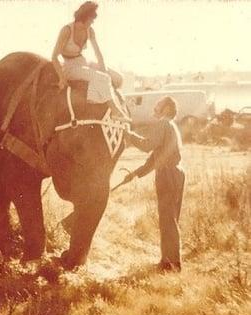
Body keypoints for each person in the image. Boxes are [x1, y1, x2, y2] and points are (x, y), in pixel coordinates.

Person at [123, 96, 185, 272]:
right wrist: (135, 174)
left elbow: (147, 145)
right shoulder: (170, 126)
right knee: (170, 218)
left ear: (166, 108)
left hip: (168, 175)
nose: (154, 107)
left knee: (168, 219)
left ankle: (171, 264)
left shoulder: (163, 124)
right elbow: (154, 158)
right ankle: (169, 260)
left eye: (157, 104)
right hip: (175, 173)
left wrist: (128, 134)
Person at [51, 1, 128, 120]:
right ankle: (114, 111)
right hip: (70, 67)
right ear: (85, 17)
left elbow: (98, 54)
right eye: (91, 19)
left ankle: (111, 102)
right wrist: (62, 78)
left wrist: (104, 70)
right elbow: (54, 56)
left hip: (84, 62)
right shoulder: (67, 30)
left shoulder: (89, 31)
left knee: (118, 78)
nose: (92, 22)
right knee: (103, 78)